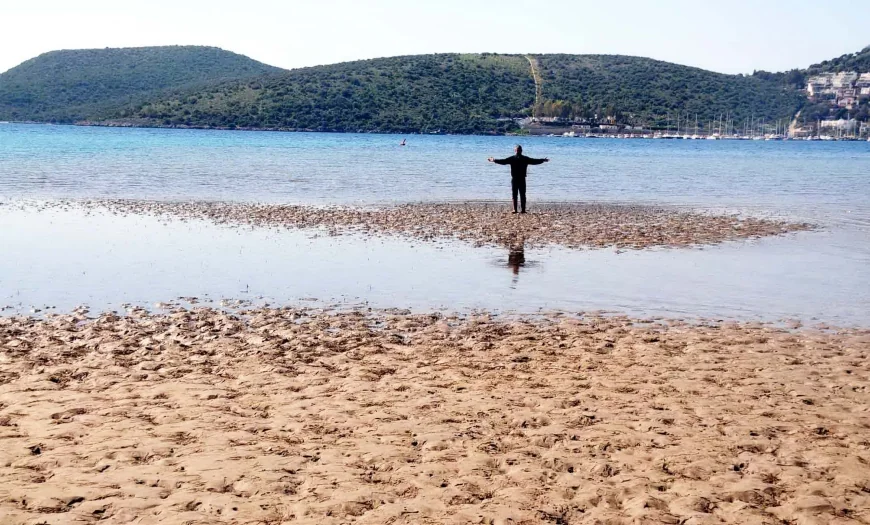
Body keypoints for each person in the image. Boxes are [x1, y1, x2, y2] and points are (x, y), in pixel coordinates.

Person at [487, 145, 549, 213]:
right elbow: (503, 161)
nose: (518, 151)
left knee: (521, 194)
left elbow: (534, 161)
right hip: (515, 179)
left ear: (520, 151)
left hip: (521, 179)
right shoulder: (514, 158)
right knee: (516, 194)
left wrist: (542, 160)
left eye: (518, 150)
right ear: (515, 151)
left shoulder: (524, 158)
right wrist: (494, 160)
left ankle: (522, 210)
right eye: (517, 150)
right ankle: (516, 209)